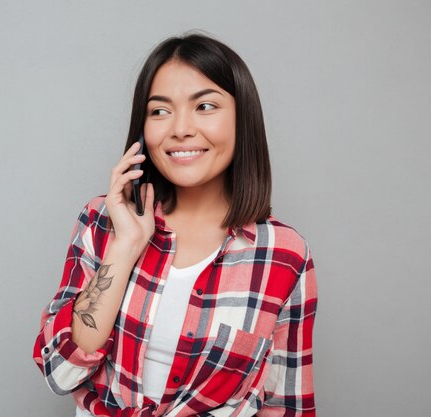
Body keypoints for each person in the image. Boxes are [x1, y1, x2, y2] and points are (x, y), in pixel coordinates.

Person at [32, 32, 318, 417]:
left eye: (205, 106)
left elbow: (287, 406)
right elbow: (60, 372)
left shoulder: (284, 255)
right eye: (160, 111)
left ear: (242, 119)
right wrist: (125, 246)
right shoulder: (102, 221)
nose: (180, 128)